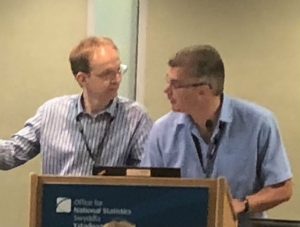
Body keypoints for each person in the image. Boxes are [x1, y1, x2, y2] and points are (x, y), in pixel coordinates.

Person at [140, 45, 292, 226]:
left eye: (176, 85)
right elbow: (146, 189)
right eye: (168, 81)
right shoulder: (162, 130)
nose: (167, 91)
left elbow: (282, 188)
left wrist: (243, 205)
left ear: (204, 90)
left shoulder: (259, 123)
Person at [0, 36, 152, 175]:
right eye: (107, 74)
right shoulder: (51, 112)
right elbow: (12, 153)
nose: (116, 79)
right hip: (58, 203)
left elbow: (146, 175)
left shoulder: (136, 117)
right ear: (82, 79)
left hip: (111, 204)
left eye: (118, 70)